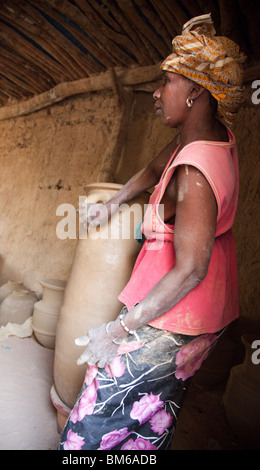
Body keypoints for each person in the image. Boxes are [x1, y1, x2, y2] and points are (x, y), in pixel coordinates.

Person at [58, 13, 246, 451]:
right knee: (148, 418)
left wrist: (119, 328)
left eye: (167, 83)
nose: (157, 95)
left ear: (196, 91)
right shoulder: (207, 139)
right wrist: (115, 201)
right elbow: (153, 167)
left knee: (94, 421)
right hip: (199, 313)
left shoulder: (196, 170)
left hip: (174, 316)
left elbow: (191, 269)